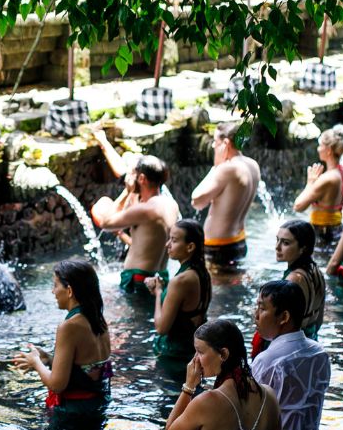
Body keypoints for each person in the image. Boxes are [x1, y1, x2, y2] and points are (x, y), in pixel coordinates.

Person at [165, 319, 281, 430]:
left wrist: (188, 387)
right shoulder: (270, 398)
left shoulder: (206, 402)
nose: (194, 360)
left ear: (223, 354)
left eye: (200, 352)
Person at [12, 259, 112, 428]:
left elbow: (57, 385)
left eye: (55, 285)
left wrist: (35, 362)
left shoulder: (69, 326)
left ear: (70, 290)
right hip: (97, 406)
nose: (53, 291)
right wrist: (50, 359)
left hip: (72, 414)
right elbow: (85, 367)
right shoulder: (98, 319)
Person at [251, 281, 331, 430]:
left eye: (262, 309)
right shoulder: (319, 354)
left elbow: (251, 418)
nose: (255, 316)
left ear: (284, 317)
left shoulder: (267, 361)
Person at [91, 153, 180, 295]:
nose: (129, 178)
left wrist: (127, 192)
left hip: (138, 279)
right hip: (161, 275)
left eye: (133, 174)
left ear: (142, 178)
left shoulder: (145, 209)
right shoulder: (171, 205)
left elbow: (106, 222)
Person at [190, 122, 261, 267]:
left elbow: (196, 201)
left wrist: (216, 167)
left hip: (218, 246)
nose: (213, 146)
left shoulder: (227, 169)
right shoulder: (252, 164)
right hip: (238, 240)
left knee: (216, 290)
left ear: (226, 143)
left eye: (215, 142)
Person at [146, 219, 212, 371]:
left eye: (174, 240)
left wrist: (158, 293)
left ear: (190, 247)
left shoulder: (180, 281)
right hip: (192, 351)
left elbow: (161, 328)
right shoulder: (203, 273)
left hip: (174, 355)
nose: (167, 244)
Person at [293, 124, 343, 250]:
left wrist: (310, 183)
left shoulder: (327, 178)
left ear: (329, 150)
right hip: (336, 229)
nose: (318, 149)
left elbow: (298, 206)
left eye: (320, 145)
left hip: (322, 234)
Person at [271, 220, 325, 342]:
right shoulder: (316, 271)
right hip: (311, 341)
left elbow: (280, 324)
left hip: (291, 346)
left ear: (303, 248)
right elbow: (319, 320)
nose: (277, 247)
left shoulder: (293, 279)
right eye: (277, 240)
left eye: (285, 243)